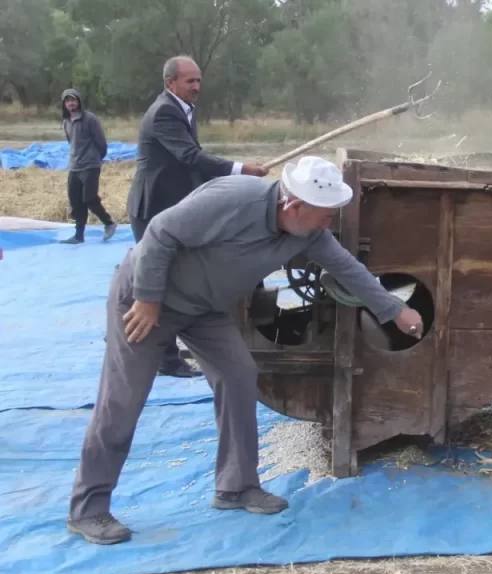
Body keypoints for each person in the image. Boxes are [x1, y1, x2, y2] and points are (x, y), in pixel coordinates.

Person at [67, 156, 425, 545]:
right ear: (295, 206)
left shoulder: (308, 231)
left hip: (204, 310)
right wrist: (149, 297)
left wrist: (395, 310)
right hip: (145, 301)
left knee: (239, 376)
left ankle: (235, 486)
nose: (328, 224)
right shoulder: (233, 199)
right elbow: (160, 232)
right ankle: (89, 508)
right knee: (122, 401)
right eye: (324, 215)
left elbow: (348, 269)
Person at [127, 55, 268, 379]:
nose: (196, 87)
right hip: (153, 210)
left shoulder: (183, 109)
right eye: (190, 81)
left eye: (199, 80)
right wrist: (240, 170)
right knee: (155, 283)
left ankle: (156, 342)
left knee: (169, 280)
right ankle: (165, 359)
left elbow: (191, 162)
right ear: (170, 83)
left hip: (173, 208)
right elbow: (190, 156)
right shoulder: (164, 111)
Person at [58, 88, 117, 245]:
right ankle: (79, 236)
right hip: (74, 166)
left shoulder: (90, 119)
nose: (71, 103)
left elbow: (101, 143)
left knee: (89, 198)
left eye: (73, 100)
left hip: (90, 165)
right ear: (64, 104)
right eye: (68, 100)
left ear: (79, 101)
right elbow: (71, 142)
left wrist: (96, 159)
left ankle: (109, 223)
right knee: (76, 201)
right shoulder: (66, 121)